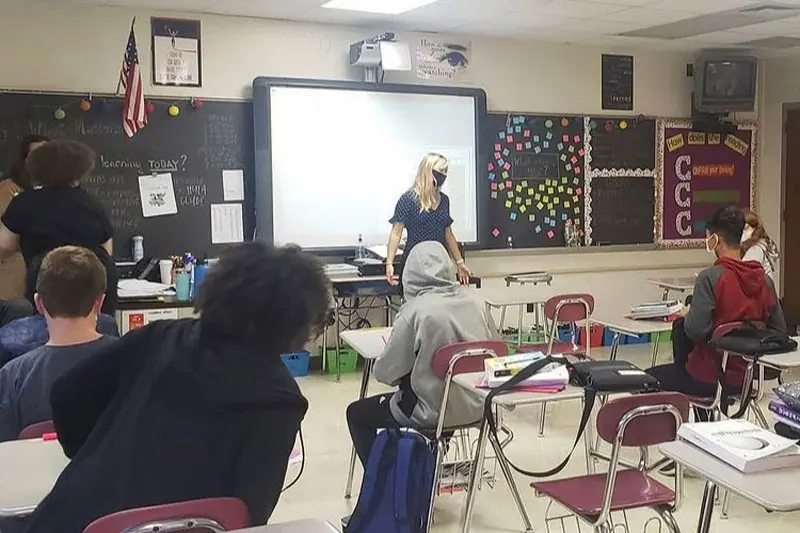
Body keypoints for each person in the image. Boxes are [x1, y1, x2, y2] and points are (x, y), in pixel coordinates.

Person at [24, 242, 329, 533]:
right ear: (297, 320)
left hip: (73, 518)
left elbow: (67, 393)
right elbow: (247, 511)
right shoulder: (281, 399)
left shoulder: (161, 336)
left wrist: (92, 452)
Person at [347, 241, 498, 466]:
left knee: (356, 414)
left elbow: (385, 373)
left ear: (410, 272)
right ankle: (429, 471)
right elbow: (497, 355)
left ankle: (387, 482)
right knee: (445, 401)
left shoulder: (416, 312)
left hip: (431, 412)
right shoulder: (478, 303)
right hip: (479, 406)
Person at [647, 207, 786, 399]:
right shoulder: (765, 281)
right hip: (747, 379)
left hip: (707, 377)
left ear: (715, 240)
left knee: (646, 378)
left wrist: (691, 314)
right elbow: (779, 332)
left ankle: (693, 424)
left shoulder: (709, 278)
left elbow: (695, 331)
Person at [0, 246, 115, 442]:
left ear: (39, 304)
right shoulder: (135, 361)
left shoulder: (12, 377)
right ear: (99, 302)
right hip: (113, 472)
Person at [0, 139, 118, 315]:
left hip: (49, 287)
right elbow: (107, 249)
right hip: (93, 288)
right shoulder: (92, 203)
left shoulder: (25, 202)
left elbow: (3, 245)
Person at [385, 153, 470, 288]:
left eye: (445, 171)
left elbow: (448, 233)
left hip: (439, 264)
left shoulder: (444, 201)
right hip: (416, 265)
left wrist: (459, 262)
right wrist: (389, 263)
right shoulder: (408, 199)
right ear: (428, 171)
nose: (443, 175)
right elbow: (396, 233)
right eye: (440, 171)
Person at [0, 135, 48, 301]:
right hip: (12, 279)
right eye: (35, 155)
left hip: (46, 279)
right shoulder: (8, 189)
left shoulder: (56, 193)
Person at [741, 210, 779, 280]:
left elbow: (744, 273)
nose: (743, 232)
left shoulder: (756, 249)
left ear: (755, 228)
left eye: (746, 228)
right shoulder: (764, 244)